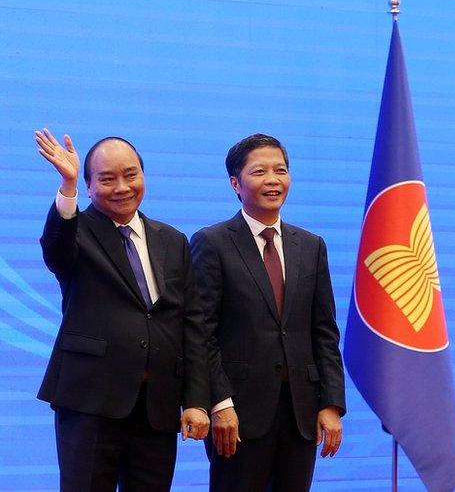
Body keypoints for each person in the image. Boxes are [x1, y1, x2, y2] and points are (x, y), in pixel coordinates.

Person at [34, 130, 210, 490]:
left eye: (130, 175)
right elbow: (56, 251)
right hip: (91, 401)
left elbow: (191, 323)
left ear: (143, 176)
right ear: (87, 185)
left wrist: (196, 400)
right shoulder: (76, 229)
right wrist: (66, 188)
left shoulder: (172, 240)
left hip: (157, 407)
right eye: (107, 178)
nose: (122, 187)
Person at [191, 134, 345, 491]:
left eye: (281, 170)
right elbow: (202, 334)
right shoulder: (212, 243)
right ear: (235, 183)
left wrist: (331, 403)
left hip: (300, 414)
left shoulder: (310, 246)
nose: (273, 179)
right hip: (238, 416)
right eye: (260, 171)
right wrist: (219, 403)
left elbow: (324, 332)